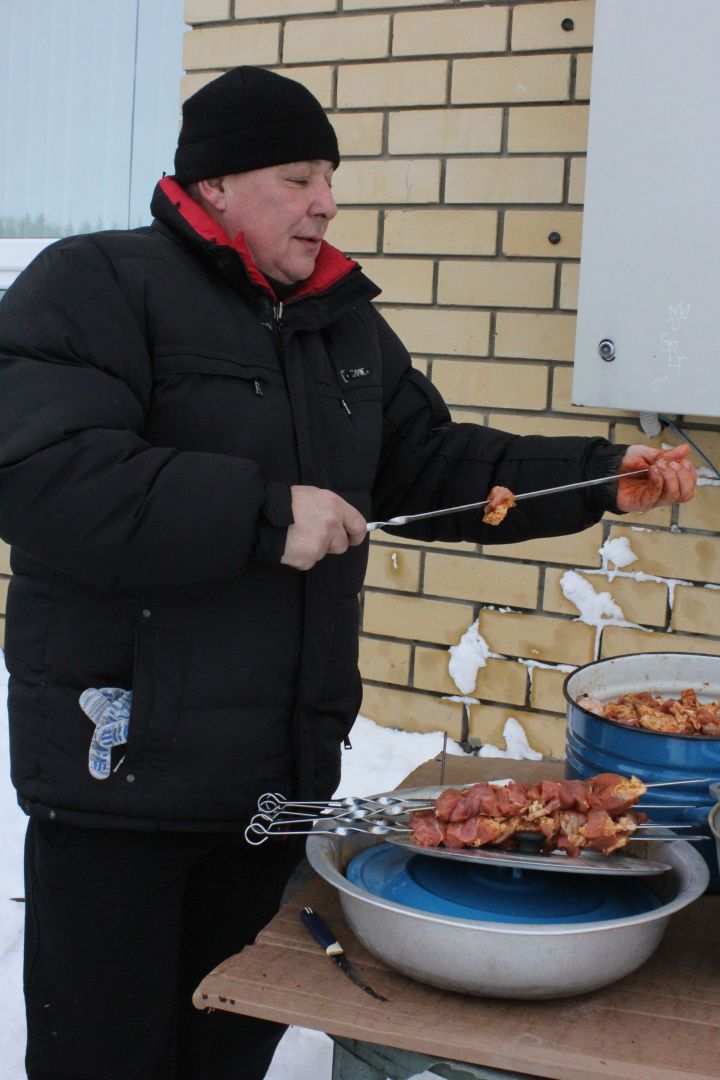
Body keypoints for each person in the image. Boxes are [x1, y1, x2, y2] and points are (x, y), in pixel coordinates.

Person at [0, 65, 696, 1080]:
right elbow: (43, 475)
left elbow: (443, 464)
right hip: (121, 794)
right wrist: (260, 512)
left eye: (329, 175)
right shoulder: (97, 285)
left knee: (225, 1053)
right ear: (214, 187)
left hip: (271, 792)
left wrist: (596, 478)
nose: (325, 199)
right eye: (296, 175)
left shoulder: (343, 331)